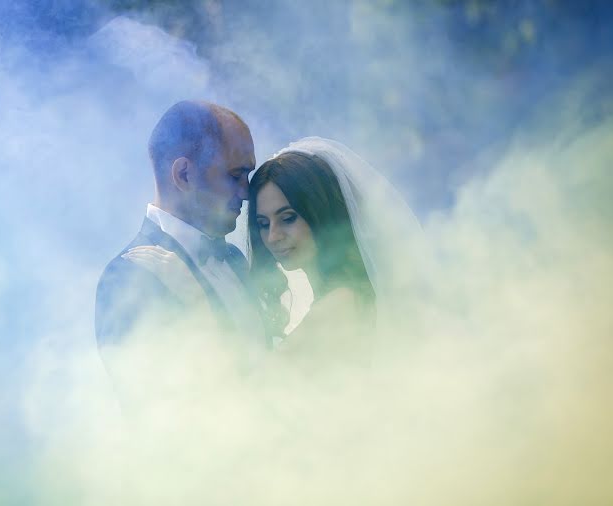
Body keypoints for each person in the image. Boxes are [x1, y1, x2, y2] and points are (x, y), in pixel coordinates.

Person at [126, 137, 425, 363]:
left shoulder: (337, 306)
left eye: (288, 218)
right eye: (262, 223)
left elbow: (256, 399)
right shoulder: (335, 294)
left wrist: (198, 301)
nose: (273, 236)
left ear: (320, 213)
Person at [94, 100, 265, 369]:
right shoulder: (129, 279)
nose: (246, 193)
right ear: (184, 174)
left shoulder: (233, 257)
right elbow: (153, 405)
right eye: (235, 176)